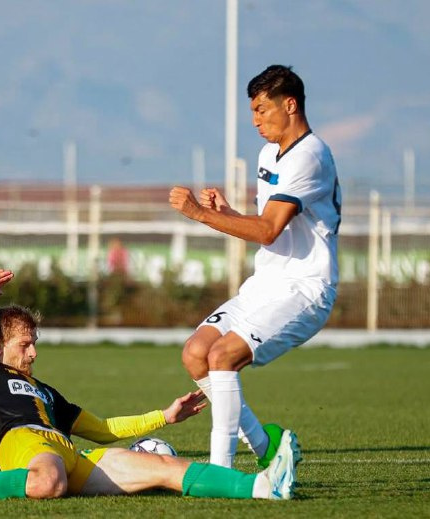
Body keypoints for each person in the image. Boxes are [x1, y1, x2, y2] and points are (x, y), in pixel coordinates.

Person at [0, 269, 299, 501]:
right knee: (48, 482)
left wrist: (165, 416)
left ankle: (263, 487)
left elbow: (103, 429)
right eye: (25, 344)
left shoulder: (47, 393)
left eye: (35, 343)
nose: (34, 353)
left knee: (163, 468)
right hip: (26, 447)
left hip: (71, 455)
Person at [169, 65, 341, 469]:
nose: (255, 121)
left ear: (290, 105)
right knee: (196, 353)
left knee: (223, 356)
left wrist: (200, 215)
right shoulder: (268, 154)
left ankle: (220, 471)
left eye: (262, 110)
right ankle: (267, 448)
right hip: (266, 283)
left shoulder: (310, 156)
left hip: (305, 289)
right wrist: (227, 213)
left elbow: (267, 230)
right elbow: (271, 227)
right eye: (253, 112)